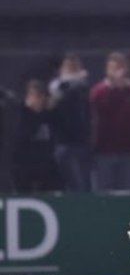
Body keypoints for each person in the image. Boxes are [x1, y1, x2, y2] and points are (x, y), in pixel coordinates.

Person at [89, 52, 130, 191]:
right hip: (103, 153)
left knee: (126, 191)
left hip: (129, 153)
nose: (117, 72)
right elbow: (94, 116)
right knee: (103, 192)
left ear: (127, 69)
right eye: (113, 68)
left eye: (121, 68)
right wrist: (113, 89)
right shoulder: (98, 92)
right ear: (107, 70)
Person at [48, 52, 91, 192]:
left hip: (82, 143)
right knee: (72, 183)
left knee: (85, 184)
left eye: (75, 68)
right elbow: (51, 105)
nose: (72, 71)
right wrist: (68, 82)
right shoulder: (56, 87)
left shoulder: (84, 88)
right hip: (63, 142)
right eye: (69, 67)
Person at [11, 80, 62, 193]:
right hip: (24, 165)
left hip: (45, 164)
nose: (39, 100)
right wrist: (34, 114)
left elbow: (59, 127)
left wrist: (52, 107)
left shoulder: (47, 114)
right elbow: (22, 136)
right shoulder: (21, 113)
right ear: (29, 96)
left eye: (41, 96)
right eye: (36, 96)